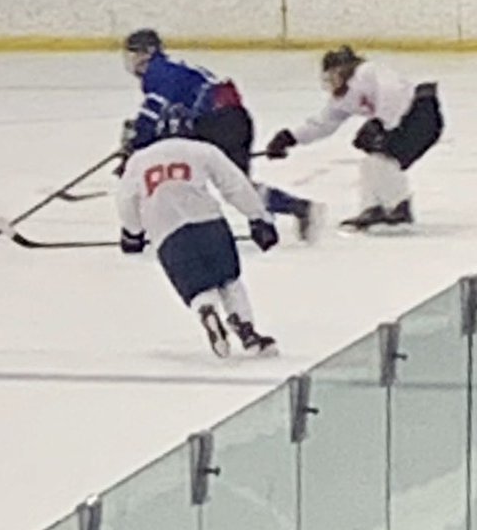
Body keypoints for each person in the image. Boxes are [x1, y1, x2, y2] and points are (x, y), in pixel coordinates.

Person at [122, 29, 324, 242]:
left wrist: (137, 146)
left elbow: (152, 115)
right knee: (237, 183)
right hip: (232, 120)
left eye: (134, 54)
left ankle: (279, 213)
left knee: (230, 183)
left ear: (147, 53)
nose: (131, 61)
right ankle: (292, 208)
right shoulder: (172, 68)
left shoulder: (158, 72)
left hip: (219, 123)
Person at [117, 135, 279, 358]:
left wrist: (132, 233)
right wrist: (257, 216)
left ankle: (206, 309)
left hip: (166, 230)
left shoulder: (138, 160)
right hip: (207, 219)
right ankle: (246, 329)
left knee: (196, 288)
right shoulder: (201, 149)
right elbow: (234, 183)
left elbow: (126, 199)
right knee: (229, 279)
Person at [264, 46, 443, 230]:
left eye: (334, 74)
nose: (331, 81)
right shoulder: (343, 98)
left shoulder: (367, 72)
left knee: (382, 159)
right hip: (404, 120)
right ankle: (375, 207)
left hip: (422, 114)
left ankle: (398, 206)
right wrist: (290, 138)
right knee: (372, 160)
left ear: (343, 69)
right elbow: (323, 124)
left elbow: (391, 90)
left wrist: (380, 122)